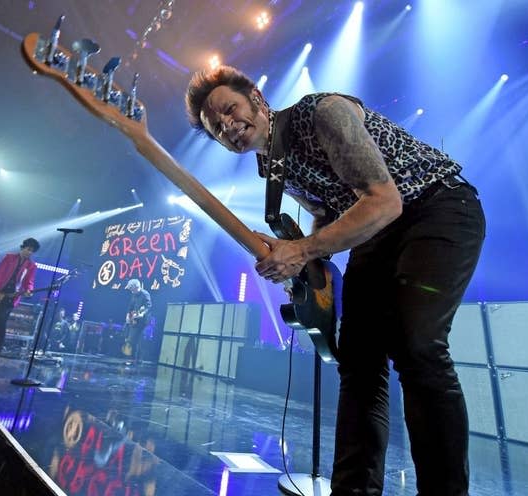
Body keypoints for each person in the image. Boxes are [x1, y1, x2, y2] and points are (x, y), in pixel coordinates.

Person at [184, 66, 485, 496]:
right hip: (375, 232)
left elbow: (385, 200)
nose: (228, 126)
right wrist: (296, 260)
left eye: (229, 110)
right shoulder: (271, 166)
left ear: (255, 96)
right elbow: (329, 212)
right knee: (359, 363)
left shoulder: (323, 112)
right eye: (217, 127)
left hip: (435, 205)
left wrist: (302, 251)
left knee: (416, 343)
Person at [0, 238, 39, 364]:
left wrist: (29, 290)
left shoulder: (31, 266)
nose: (30, 252)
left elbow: (29, 281)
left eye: (32, 251)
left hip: (11, 298)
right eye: (28, 249)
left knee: (1, 324)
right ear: (23, 248)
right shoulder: (9, 258)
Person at [122, 279, 152, 362]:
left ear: (136, 287)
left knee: (140, 341)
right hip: (134, 321)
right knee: (130, 339)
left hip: (143, 322)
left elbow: (148, 306)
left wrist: (142, 314)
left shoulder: (145, 294)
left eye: (131, 288)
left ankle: (138, 360)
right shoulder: (134, 295)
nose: (130, 290)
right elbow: (130, 306)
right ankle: (130, 358)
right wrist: (128, 315)